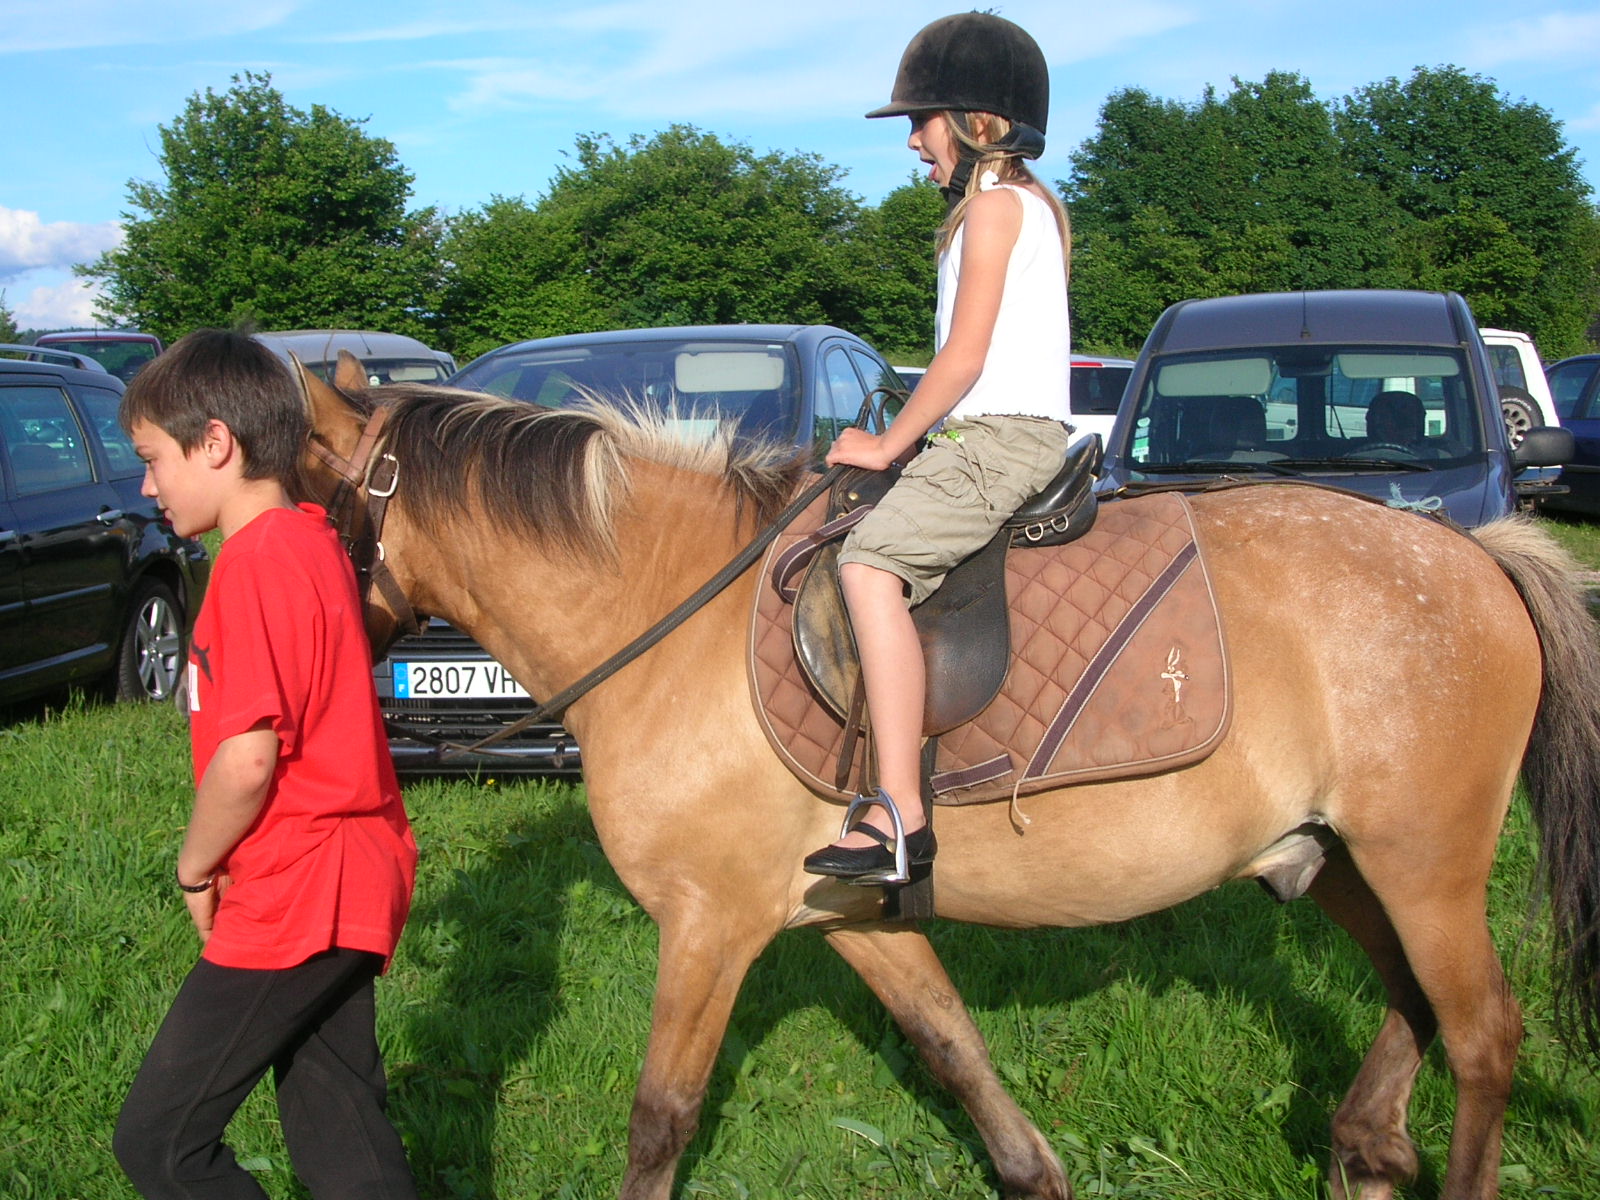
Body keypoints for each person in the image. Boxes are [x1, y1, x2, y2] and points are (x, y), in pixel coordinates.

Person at [112, 329, 420, 1200]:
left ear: (216, 443)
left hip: (297, 885)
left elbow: (247, 761)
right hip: (353, 875)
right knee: (339, 1126)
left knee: (161, 1143)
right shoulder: (312, 539)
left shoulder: (250, 565)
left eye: (154, 458)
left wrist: (195, 864)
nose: (147, 484)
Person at [803, 13, 1072, 885]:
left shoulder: (994, 209)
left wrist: (887, 444)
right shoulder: (1016, 207)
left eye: (922, 121)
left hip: (998, 441)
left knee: (869, 563)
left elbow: (964, 357)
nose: (915, 142)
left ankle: (897, 816)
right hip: (987, 435)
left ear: (976, 121)